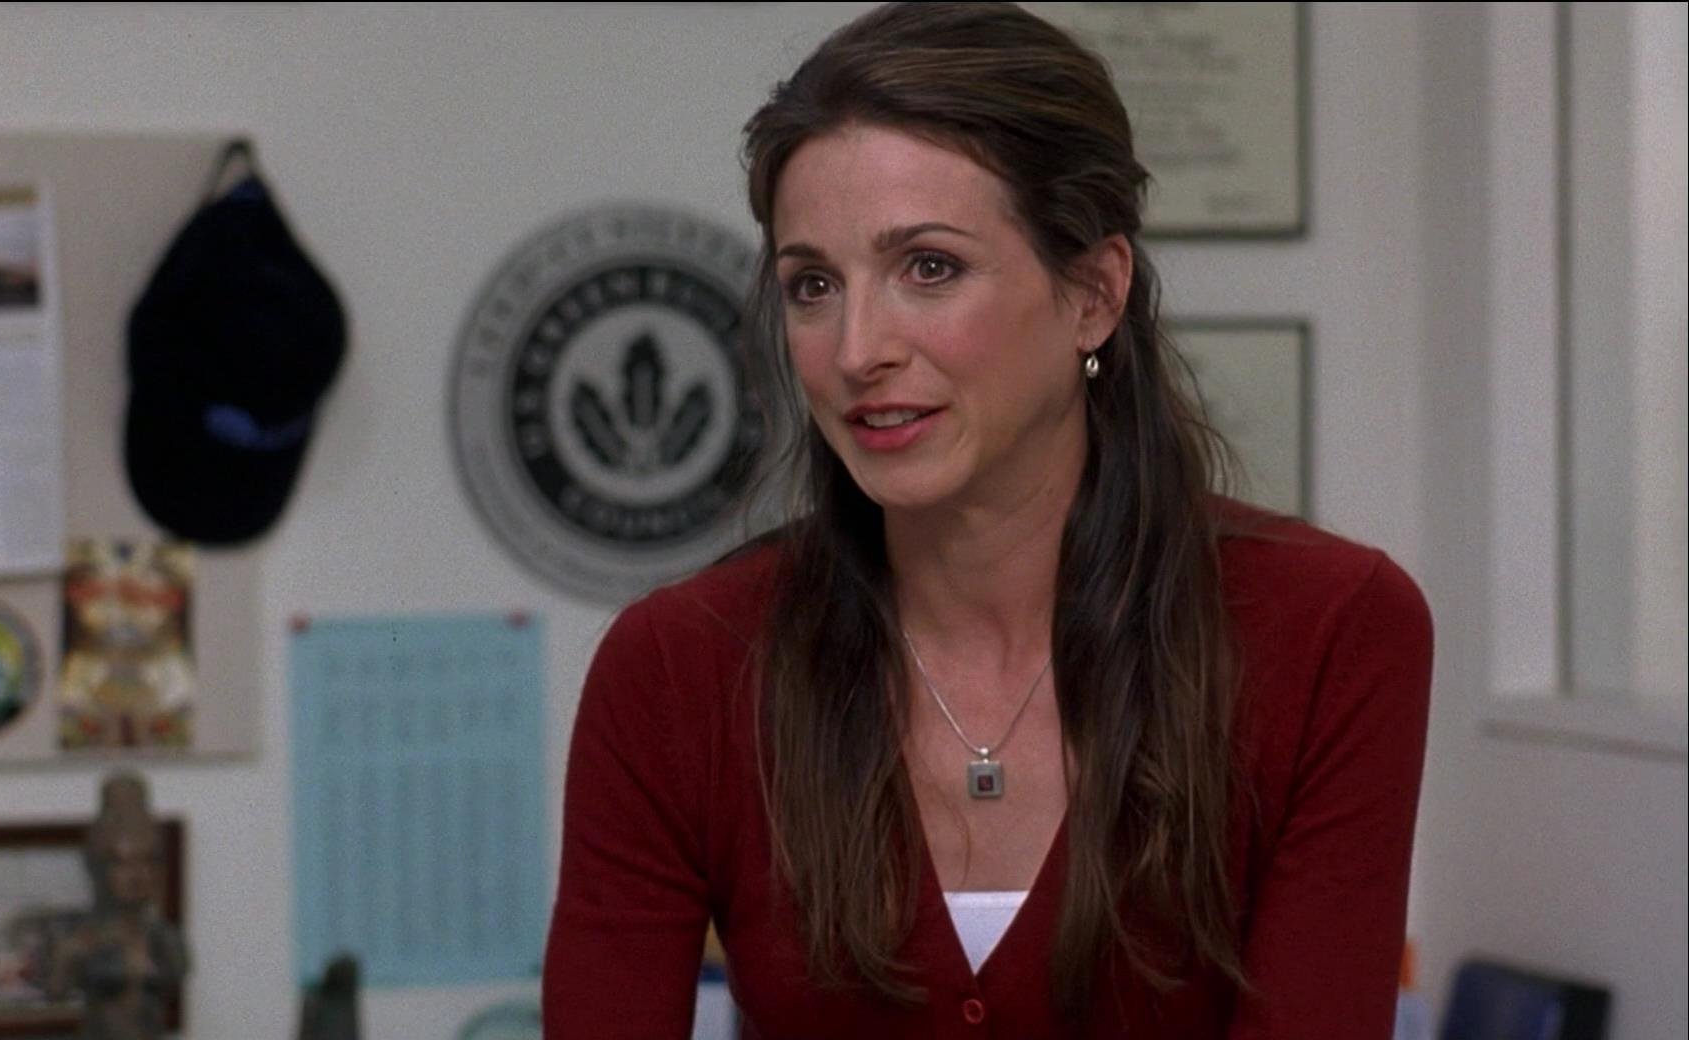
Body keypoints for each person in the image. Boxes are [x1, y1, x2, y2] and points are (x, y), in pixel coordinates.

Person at [542, 3, 1433, 1037]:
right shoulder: (681, 664)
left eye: (930, 267)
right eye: (812, 284)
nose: (856, 349)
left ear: (1094, 292)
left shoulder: (1327, 629)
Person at [46, 772, 189, 1040]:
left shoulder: (166, 939)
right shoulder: (77, 939)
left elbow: (173, 974)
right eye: (122, 863)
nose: (137, 875)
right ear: (98, 867)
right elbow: (55, 990)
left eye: (147, 861)